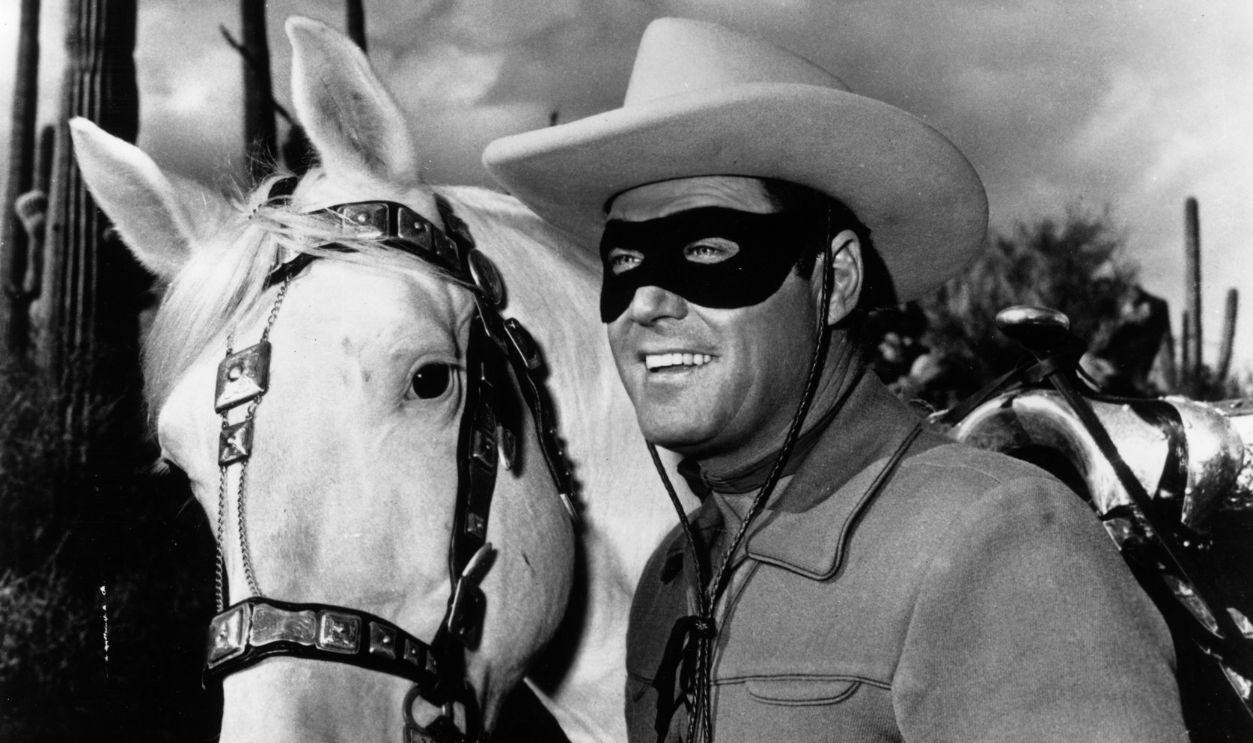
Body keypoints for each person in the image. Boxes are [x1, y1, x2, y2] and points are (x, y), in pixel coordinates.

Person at [484, 17, 1185, 743]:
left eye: (706, 248)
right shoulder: (672, 576)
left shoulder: (994, 541)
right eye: (623, 265)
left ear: (834, 280)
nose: (647, 303)